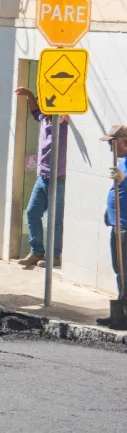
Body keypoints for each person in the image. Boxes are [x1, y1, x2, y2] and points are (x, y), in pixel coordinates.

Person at [14, 88, 69, 269]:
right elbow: (34, 110)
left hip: (59, 179)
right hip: (42, 177)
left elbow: (70, 112)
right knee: (32, 213)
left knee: (56, 219)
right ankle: (37, 251)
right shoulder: (44, 119)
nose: (42, 108)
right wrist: (29, 95)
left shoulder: (62, 121)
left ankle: (56, 255)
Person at [97, 125, 127, 327]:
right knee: (119, 270)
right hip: (118, 224)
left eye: (112, 142)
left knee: (125, 270)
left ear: (124, 141)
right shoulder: (123, 161)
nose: (110, 147)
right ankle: (120, 312)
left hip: (126, 227)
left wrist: (124, 179)